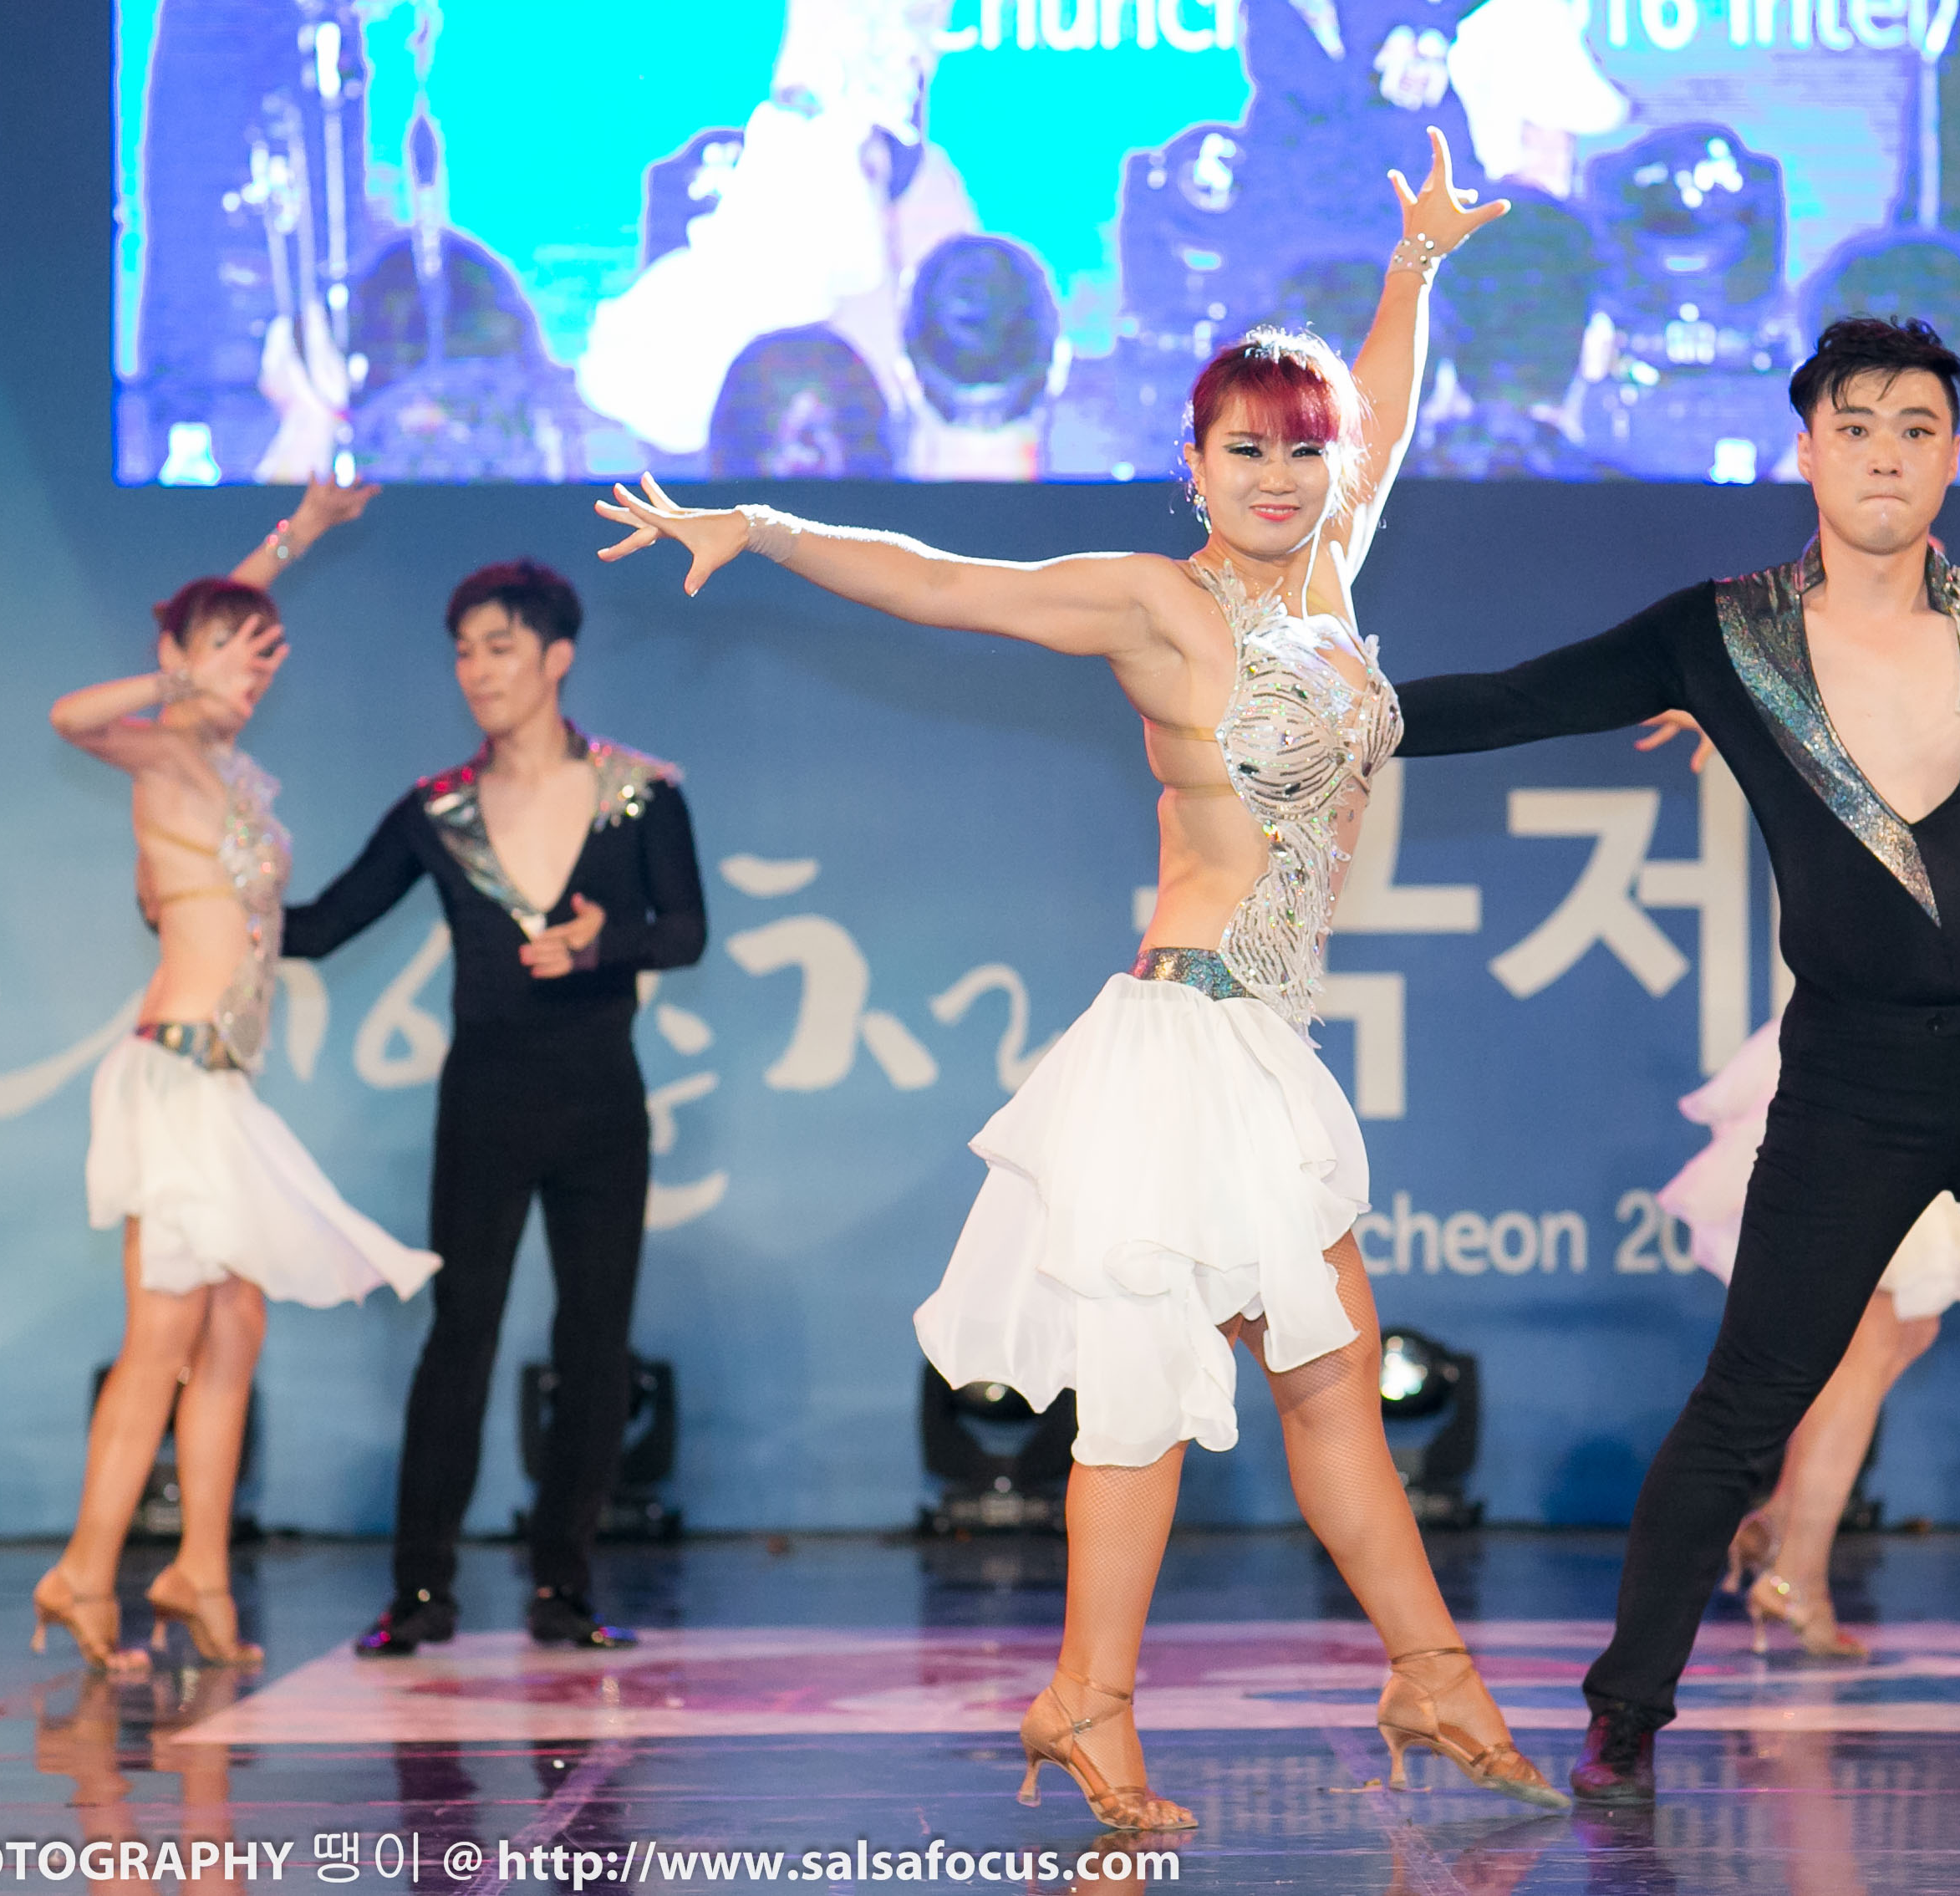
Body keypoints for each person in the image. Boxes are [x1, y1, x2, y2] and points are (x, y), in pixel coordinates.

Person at [597, 130, 1560, 1832]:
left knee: (1322, 1375)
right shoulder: (1157, 605)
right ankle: (1159, 1694)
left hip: (1256, 1043)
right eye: (1246, 449)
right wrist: (766, 524)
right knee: (1182, 1385)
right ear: (1194, 463)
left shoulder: (1331, 577)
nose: (1281, 475)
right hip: (1186, 1038)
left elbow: (1389, 410)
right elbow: (948, 586)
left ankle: (1344, 1676)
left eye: (1303, 450)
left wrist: (1414, 264)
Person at [1395, 315, 1960, 1808]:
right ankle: (1624, 1716)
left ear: (1954, 456)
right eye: (1855, 427)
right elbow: (1521, 697)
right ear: (1804, 451)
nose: (1885, 456)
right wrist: (1344, 715)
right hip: (1853, 1081)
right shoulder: (1724, 634)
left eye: (1916, 429)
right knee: (1749, 1396)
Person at [38, 481, 436, 1673]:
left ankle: (199, 1571)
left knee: (234, 1324)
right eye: (228, 655)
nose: (250, 673)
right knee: (164, 1333)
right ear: (176, 661)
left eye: (262, 659)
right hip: (173, 1076)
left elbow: (217, 622)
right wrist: (183, 678)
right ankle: (82, 1572)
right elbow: (68, 713)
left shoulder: (223, 767)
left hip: (220, 1086)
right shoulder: (164, 753)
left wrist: (294, 539)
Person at [281, 561, 708, 1655]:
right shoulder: (438, 810)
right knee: (460, 1333)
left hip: (601, 1099)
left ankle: (563, 1586)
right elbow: (322, 925)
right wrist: (205, 906)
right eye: (464, 650)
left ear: (557, 657)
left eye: (500, 647)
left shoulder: (641, 793)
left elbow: (686, 931)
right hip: (485, 1098)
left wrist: (601, 946)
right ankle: (420, 1590)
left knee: (595, 1343)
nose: (477, 669)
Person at [1663, 1017, 1960, 1657]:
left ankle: (1783, 1523)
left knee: (1908, 1327)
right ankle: (1799, 1576)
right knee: (1876, 1327)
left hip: (1925, 1049)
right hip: (1886, 1051)